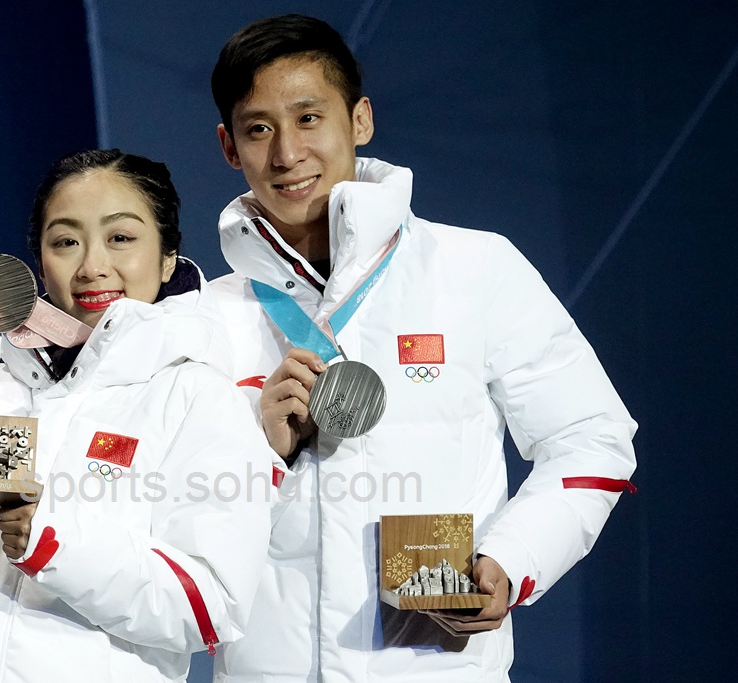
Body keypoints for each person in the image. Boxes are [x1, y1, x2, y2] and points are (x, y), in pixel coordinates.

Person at [206, 14, 638, 682]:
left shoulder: (475, 267)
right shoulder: (206, 315)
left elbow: (592, 438)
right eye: (258, 128)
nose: (287, 153)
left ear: (361, 120)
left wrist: (509, 561)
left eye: (309, 117)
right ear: (229, 148)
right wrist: (257, 452)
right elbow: (161, 508)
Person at [0, 149, 275, 682]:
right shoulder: (6, 383)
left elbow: (210, 605)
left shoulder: (197, 396)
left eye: (121, 238)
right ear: (40, 262)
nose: (92, 265)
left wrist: (56, 541)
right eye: (65, 242)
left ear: (168, 256)